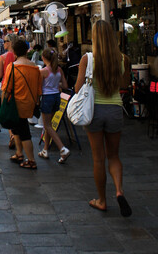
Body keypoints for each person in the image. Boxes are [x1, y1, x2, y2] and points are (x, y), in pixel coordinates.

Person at [74, 19, 132, 217]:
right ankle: (119, 191)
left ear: (95, 37)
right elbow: (124, 85)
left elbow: (77, 88)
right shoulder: (123, 59)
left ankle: (102, 200)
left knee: (98, 158)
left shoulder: (87, 59)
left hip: (94, 112)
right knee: (114, 156)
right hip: (115, 109)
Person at [2, 37, 42, 169]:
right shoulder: (35, 68)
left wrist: (3, 104)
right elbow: (38, 89)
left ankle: (31, 160)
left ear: (14, 52)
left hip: (16, 104)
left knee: (24, 132)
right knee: (17, 129)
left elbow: (6, 89)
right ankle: (19, 153)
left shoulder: (12, 67)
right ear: (26, 51)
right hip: (29, 102)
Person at [38, 47, 70, 162]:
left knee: (47, 125)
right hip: (57, 97)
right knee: (49, 125)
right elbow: (65, 86)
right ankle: (45, 149)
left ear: (43, 58)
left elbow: (39, 88)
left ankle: (62, 149)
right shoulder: (59, 70)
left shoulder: (43, 71)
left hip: (47, 98)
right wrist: (56, 83)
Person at [0, 33, 18, 150]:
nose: (3, 43)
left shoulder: (3, 57)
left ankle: (12, 136)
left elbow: (0, 75)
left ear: (10, 42)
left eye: (5, 41)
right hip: (19, 86)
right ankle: (18, 135)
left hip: (6, 86)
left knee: (7, 111)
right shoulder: (18, 56)